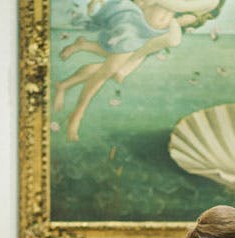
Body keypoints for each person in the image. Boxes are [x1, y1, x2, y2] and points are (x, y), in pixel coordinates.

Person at [53, 0, 219, 141]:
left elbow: (203, 8)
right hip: (133, 29)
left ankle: (67, 79)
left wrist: (190, 17)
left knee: (109, 65)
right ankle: (77, 115)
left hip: (151, 33)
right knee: (106, 72)